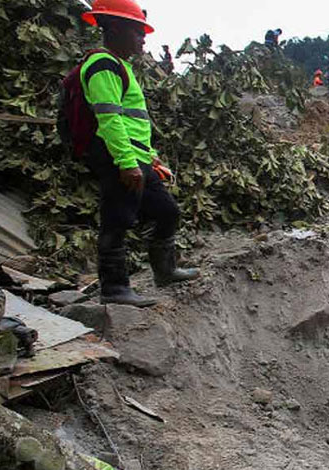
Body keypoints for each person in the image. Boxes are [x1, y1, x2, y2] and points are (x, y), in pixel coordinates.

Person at [78, 0, 199, 307]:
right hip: (118, 158)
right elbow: (109, 118)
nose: (143, 39)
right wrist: (127, 163)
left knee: (167, 211)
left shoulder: (121, 67)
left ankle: (165, 270)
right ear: (116, 29)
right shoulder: (101, 65)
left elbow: (132, 123)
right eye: (137, 31)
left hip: (136, 157)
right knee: (117, 220)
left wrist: (151, 158)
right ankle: (115, 289)